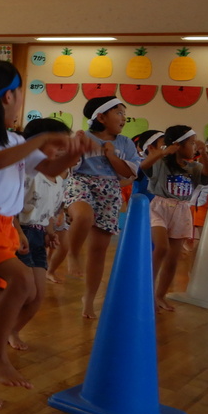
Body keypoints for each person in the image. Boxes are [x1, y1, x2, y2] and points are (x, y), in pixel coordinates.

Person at [0, 61, 87, 410]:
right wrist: (41, 139)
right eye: (21, 92)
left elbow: (49, 168)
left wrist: (74, 153)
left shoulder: (18, 140)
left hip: (4, 227)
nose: (21, 98)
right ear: (10, 96)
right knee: (23, 283)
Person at [63, 96, 140, 318]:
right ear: (101, 117)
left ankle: (88, 298)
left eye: (124, 114)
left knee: (98, 250)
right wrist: (75, 145)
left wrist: (110, 154)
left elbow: (128, 173)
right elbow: (69, 164)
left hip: (110, 189)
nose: (124, 118)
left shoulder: (125, 143)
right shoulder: (83, 136)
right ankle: (74, 253)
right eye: (119, 113)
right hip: (82, 181)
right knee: (83, 216)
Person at [10, 118, 70, 350]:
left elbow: (47, 214)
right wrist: (18, 233)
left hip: (37, 237)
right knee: (26, 291)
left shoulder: (58, 180)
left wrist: (50, 233)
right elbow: (9, 209)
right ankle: (0, 330)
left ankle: (12, 329)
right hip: (19, 234)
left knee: (37, 297)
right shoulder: (26, 174)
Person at [146, 125, 208, 311]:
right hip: (159, 207)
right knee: (161, 247)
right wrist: (164, 152)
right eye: (191, 143)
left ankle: (160, 295)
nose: (194, 146)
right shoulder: (162, 164)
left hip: (182, 211)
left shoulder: (194, 167)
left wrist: (203, 153)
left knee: (173, 259)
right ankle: (147, 291)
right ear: (178, 145)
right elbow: (144, 166)